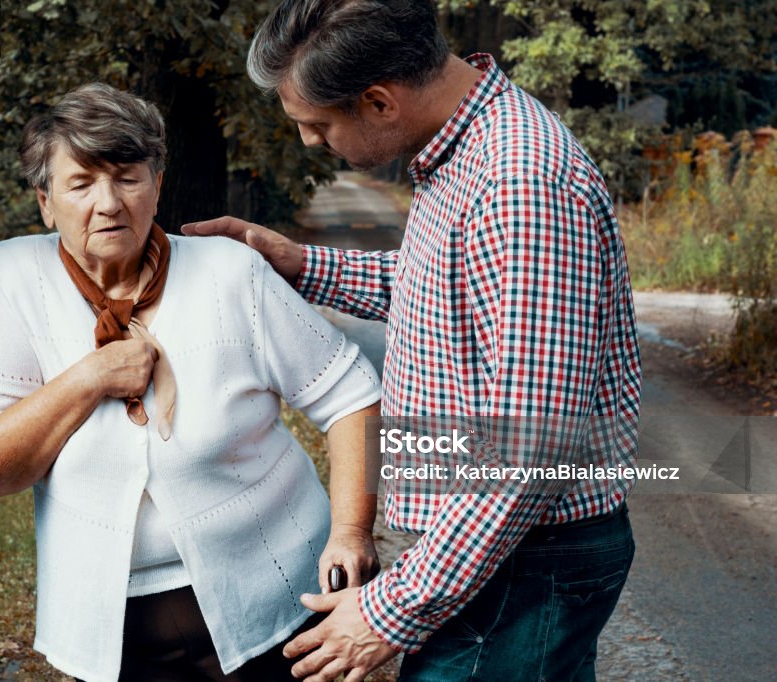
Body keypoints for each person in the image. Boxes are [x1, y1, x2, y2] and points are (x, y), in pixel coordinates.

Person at [181, 1, 642, 680]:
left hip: (520, 562)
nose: (311, 142)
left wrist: (386, 613)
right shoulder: (466, 153)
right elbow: (436, 289)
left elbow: (529, 453)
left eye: (317, 125)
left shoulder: (518, 183)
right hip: (495, 556)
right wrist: (300, 263)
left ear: (377, 102)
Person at [0, 82, 383, 682]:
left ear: (157, 183)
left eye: (128, 177)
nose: (108, 203)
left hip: (279, 604)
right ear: (46, 203)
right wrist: (90, 377)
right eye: (80, 184)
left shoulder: (229, 271)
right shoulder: (11, 277)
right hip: (111, 634)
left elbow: (352, 396)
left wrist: (350, 532)